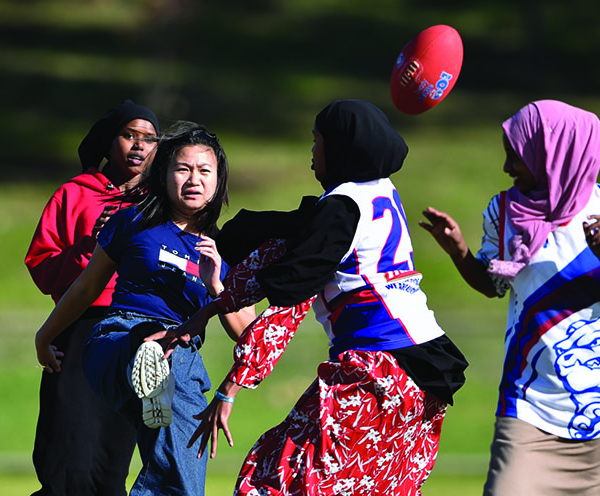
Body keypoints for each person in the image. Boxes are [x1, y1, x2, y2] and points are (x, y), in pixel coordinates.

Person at [163, 99, 469, 496]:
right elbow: (291, 230)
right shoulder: (378, 192)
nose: (312, 152)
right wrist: (215, 299)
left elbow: (290, 296)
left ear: (341, 146)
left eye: (317, 141)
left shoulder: (340, 210)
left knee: (274, 477)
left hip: (378, 371)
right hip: (424, 377)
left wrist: (230, 387)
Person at [419, 100, 600, 495]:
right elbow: (492, 286)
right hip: (528, 401)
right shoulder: (503, 211)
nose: (507, 167)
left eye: (515, 155)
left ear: (552, 154)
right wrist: (459, 250)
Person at [33, 123, 256, 496]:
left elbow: (249, 333)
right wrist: (45, 335)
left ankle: (158, 375)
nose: (193, 179)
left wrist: (217, 285)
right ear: (164, 174)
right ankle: (150, 359)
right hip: (118, 338)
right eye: (182, 169)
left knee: (181, 477)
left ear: (219, 181)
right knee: (160, 349)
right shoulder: (134, 221)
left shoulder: (225, 250)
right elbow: (86, 286)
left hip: (179, 354)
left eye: (204, 171)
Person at [25, 99, 160, 496]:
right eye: (129, 136)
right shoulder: (74, 194)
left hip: (134, 337)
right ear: (108, 141)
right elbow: (42, 266)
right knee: (67, 456)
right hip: (79, 331)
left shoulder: (162, 202)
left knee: (110, 461)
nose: (138, 146)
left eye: (149, 138)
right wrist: (91, 246)